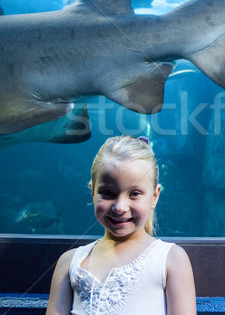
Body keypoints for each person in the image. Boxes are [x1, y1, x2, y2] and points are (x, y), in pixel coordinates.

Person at [46, 135, 197, 315]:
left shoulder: (171, 260)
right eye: (107, 193)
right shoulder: (69, 263)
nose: (119, 207)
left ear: (154, 196)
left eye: (134, 193)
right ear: (92, 191)